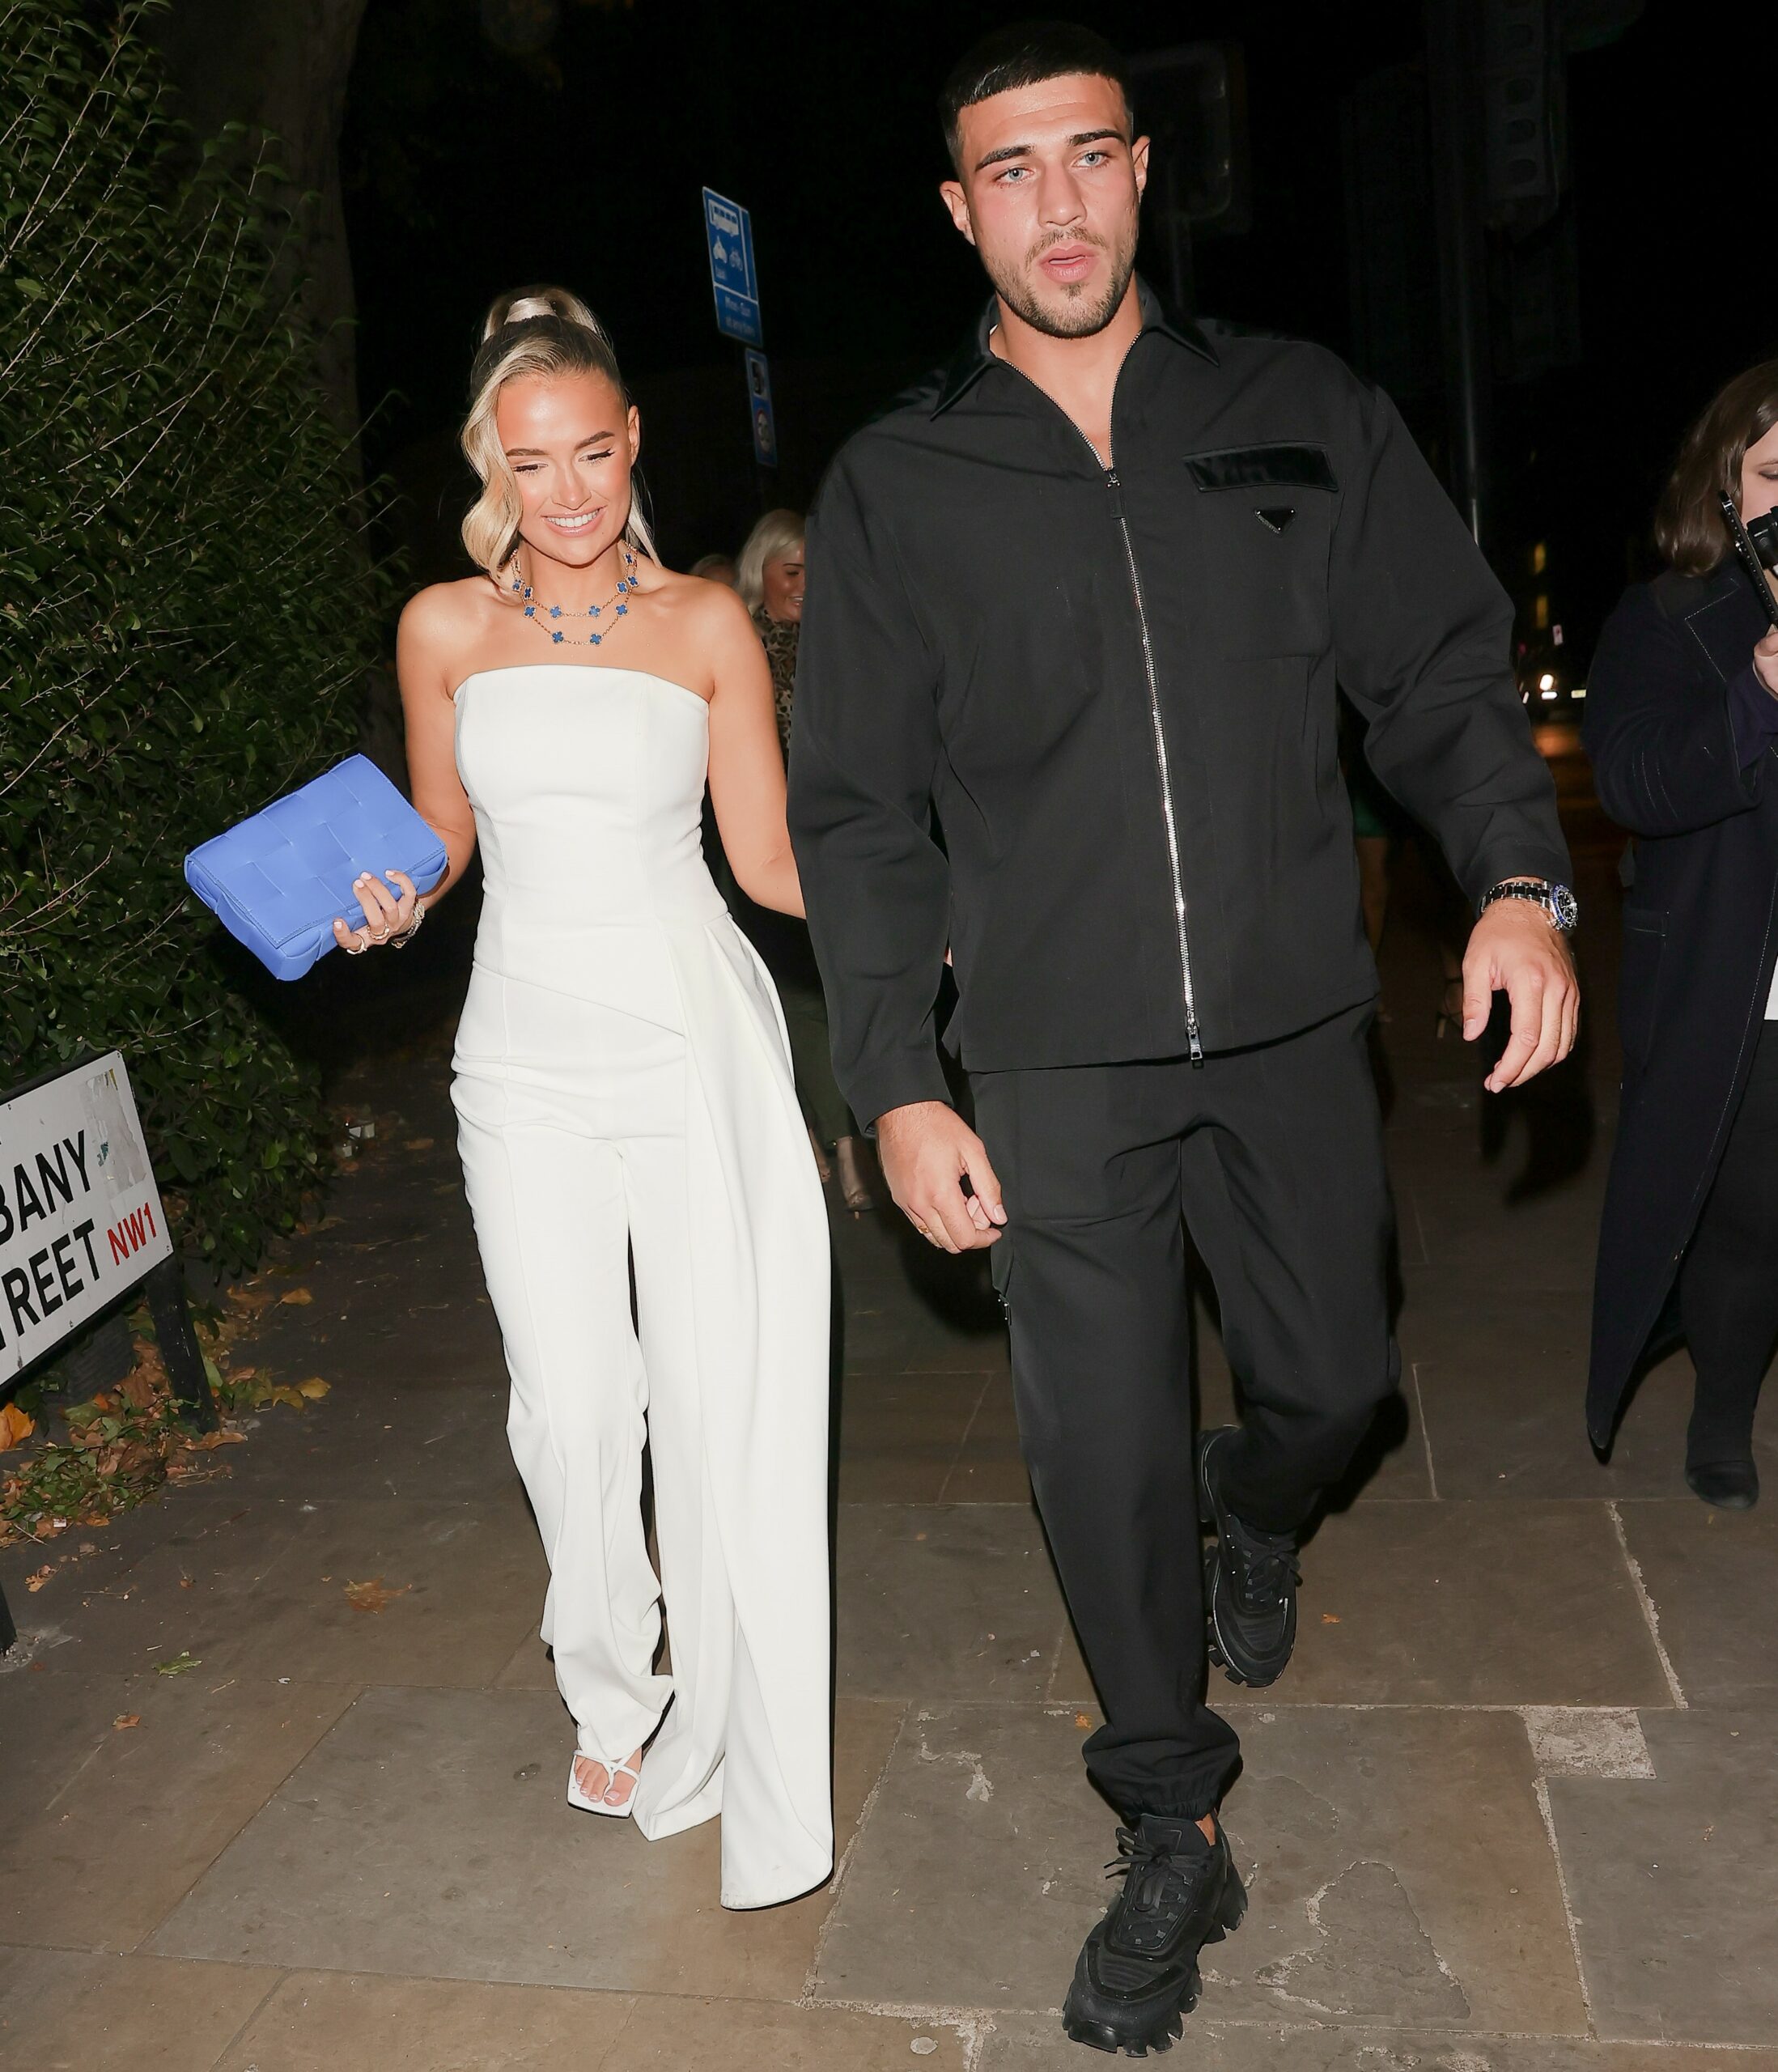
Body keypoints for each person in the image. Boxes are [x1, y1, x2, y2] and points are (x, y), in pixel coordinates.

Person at [788, 24, 1577, 2053]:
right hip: (1050, 1063)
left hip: (1292, 1021)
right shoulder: (895, 481)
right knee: (1091, 1446)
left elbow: (1427, 665)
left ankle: (1262, 1491)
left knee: (1327, 1378)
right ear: (956, 210)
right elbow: (859, 809)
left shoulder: (1297, 406)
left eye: (1084, 157)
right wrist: (888, 1075)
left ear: (1143, 173)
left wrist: (1514, 874)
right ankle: (1165, 1809)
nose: (1051, 204)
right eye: (1005, 172)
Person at [333, 285, 832, 1909]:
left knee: (698, 1395)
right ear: (492, 463)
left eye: (595, 454)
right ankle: (612, 1676)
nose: (568, 492)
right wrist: (394, 896)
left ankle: (708, 1690)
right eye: (532, 461)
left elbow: (764, 861)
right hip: (523, 1056)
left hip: (687, 1032)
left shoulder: (703, 623)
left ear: (631, 448)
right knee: (568, 1403)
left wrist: (941, 910)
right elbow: (441, 834)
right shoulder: (440, 630)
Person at [1584, 360, 1778, 1510]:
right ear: (1723, 490)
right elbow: (1635, 782)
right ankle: (1722, 1410)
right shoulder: (1666, 620)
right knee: (1748, 1221)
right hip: (1740, 984)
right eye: (1771, 473)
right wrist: (1755, 695)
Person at [736, 508, 874, 1212]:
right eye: (792, 573)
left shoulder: (841, 646)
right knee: (794, 1002)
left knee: (835, 993)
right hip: (762, 852)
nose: (806, 587)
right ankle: (839, 1149)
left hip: (837, 842)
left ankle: (848, 1139)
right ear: (759, 574)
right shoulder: (735, 648)